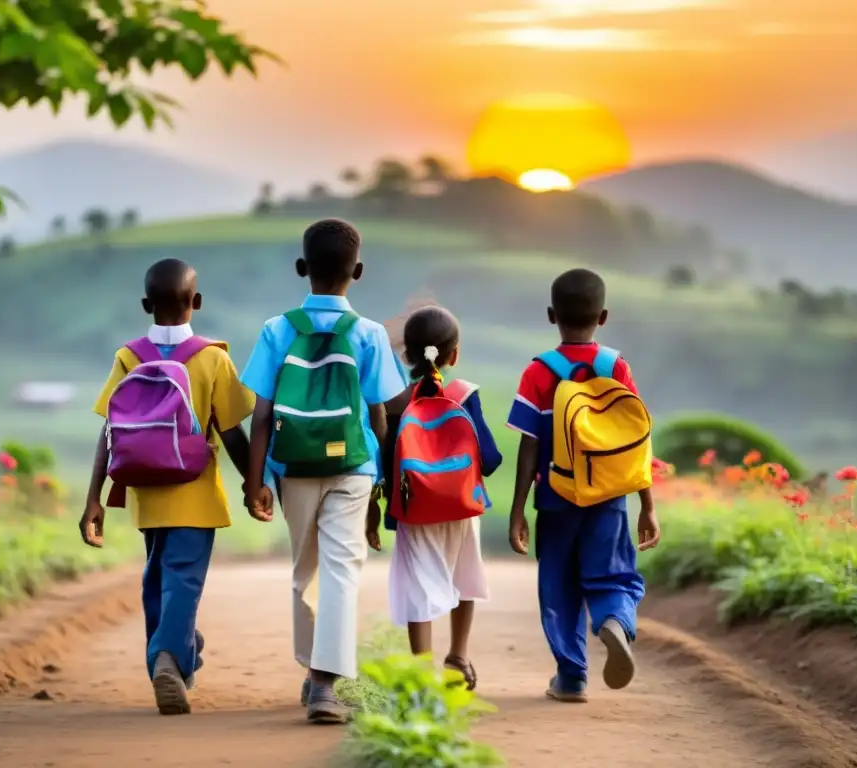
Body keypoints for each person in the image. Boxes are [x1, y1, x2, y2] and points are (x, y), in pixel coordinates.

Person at [240, 219, 406, 724]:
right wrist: (381, 479)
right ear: (357, 271)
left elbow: (262, 413)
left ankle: (316, 675)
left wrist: (256, 482)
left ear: (301, 268)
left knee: (305, 571)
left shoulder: (277, 329)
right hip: (352, 465)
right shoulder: (370, 333)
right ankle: (325, 683)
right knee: (342, 569)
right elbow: (382, 412)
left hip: (291, 466)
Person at [80, 258, 255, 715]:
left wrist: (93, 500)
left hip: (144, 492)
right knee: (183, 580)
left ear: (145, 305)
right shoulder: (212, 356)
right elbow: (232, 430)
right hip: (194, 491)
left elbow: (110, 432)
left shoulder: (128, 356)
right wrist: (254, 484)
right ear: (196, 303)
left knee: (157, 578)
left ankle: (180, 652)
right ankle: (168, 659)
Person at [506, 268, 660, 703]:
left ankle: (572, 677)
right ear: (603, 317)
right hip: (610, 496)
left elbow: (528, 446)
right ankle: (614, 620)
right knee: (613, 573)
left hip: (556, 497)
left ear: (551, 314)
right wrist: (647, 504)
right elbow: (637, 438)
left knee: (559, 585)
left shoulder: (538, 373)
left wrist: (519, 509)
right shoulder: (616, 367)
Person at [367, 305, 502, 691]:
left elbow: (386, 459)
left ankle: (420, 672)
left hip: (414, 511)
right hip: (462, 508)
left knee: (419, 587)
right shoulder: (464, 395)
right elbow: (489, 459)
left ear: (406, 355)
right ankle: (458, 656)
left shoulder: (396, 403)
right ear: (454, 354)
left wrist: (379, 510)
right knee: (465, 578)